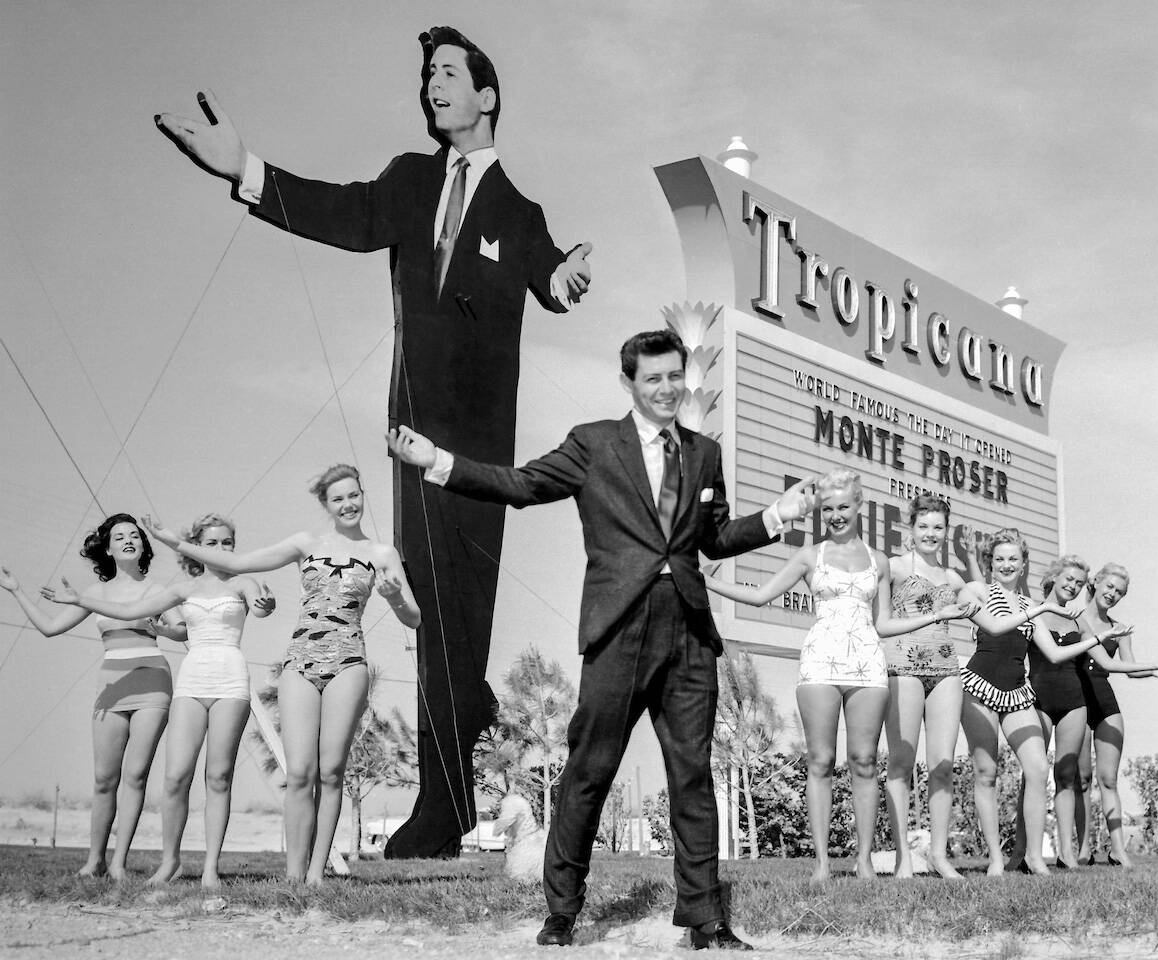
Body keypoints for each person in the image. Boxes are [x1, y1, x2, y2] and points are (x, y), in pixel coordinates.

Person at [154, 26, 592, 858]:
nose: (433, 83)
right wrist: (247, 171)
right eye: (426, 73)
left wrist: (565, 280)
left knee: (468, 610)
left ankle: (455, 787)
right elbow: (345, 214)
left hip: (485, 444)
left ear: (487, 95)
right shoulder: (410, 178)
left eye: (450, 72)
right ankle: (444, 802)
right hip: (416, 432)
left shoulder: (520, 213)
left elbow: (553, 276)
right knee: (430, 607)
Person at [388, 329, 813, 949]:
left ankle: (706, 919)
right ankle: (562, 909)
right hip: (618, 627)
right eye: (653, 379)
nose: (667, 388)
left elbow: (714, 539)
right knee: (591, 768)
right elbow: (522, 486)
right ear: (629, 384)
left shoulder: (703, 454)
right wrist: (439, 463)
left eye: (675, 376)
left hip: (689, 628)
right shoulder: (593, 444)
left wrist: (779, 515)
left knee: (693, 774)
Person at [142, 467, 420, 884]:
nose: (348, 505)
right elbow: (234, 562)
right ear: (326, 505)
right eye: (337, 499)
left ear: (363, 495)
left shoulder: (382, 554)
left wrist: (395, 595)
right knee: (300, 772)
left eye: (353, 496)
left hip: (348, 662)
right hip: (300, 663)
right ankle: (294, 876)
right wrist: (173, 542)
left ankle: (315, 874)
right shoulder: (305, 544)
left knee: (330, 772)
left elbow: (413, 619)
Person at [706, 475, 976, 882]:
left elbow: (883, 624)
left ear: (859, 506)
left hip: (868, 664)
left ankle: (865, 862)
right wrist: (707, 582)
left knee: (865, 762)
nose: (835, 515)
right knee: (820, 761)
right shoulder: (808, 556)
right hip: (820, 663)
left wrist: (940, 615)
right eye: (827, 508)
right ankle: (821, 865)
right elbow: (762, 595)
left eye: (843, 506)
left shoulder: (878, 560)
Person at [43, 513, 275, 889]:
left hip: (230, 679)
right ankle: (170, 862)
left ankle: (212, 868)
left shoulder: (245, 582)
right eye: (212, 542)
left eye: (227, 543)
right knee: (174, 777)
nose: (220, 549)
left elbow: (262, 608)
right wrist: (83, 598)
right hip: (191, 681)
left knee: (218, 776)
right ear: (198, 547)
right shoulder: (184, 588)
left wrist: (267, 604)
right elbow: (132, 611)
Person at [1, 514, 173, 880]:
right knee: (103, 778)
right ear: (107, 549)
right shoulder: (93, 594)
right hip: (111, 686)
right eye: (119, 536)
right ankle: (94, 859)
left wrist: (168, 628)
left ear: (142, 545)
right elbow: (49, 628)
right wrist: (16, 589)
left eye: (134, 535)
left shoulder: (160, 591)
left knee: (137, 775)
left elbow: (182, 630)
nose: (128, 539)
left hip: (153, 682)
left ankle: (118, 863)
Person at [958, 529, 1107, 875]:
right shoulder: (978, 590)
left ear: (1024, 564)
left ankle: (1035, 857)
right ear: (990, 564)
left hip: (1016, 691)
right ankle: (996, 858)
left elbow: (1054, 653)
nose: (1007, 565)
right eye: (999, 559)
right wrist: (1040, 609)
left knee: (1039, 770)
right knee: (986, 772)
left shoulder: (1030, 606)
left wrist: (1099, 638)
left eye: (1013, 559)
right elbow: (994, 627)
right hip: (978, 685)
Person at [873, 494, 978, 880]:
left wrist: (972, 570)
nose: (931, 533)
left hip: (947, 670)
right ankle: (904, 858)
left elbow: (983, 602)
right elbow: (880, 623)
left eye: (938, 527)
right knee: (900, 765)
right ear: (911, 530)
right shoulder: (895, 567)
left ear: (946, 532)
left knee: (943, 766)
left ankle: (938, 855)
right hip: (902, 668)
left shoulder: (952, 578)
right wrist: (938, 612)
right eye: (924, 526)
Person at [1073, 563, 1158, 867]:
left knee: (1108, 779)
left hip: (1105, 702)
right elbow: (1103, 663)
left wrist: (1155, 673)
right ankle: (1083, 850)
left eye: (1119, 592)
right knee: (1081, 779)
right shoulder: (1075, 619)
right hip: (1077, 702)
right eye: (1109, 587)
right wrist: (1155, 665)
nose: (1112, 594)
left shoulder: (1120, 629)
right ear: (1095, 583)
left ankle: (1118, 849)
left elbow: (1128, 668)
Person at [1005, 555, 1092, 869]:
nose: (1073, 586)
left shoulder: (1079, 619)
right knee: (1034, 774)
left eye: (1079, 584)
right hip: (1037, 699)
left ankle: (1066, 852)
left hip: (1074, 701)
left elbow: (1103, 660)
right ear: (1054, 577)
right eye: (1068, 579)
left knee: (1066, 776)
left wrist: (1152, 668)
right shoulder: (1034, 610)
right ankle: (1021, 852)